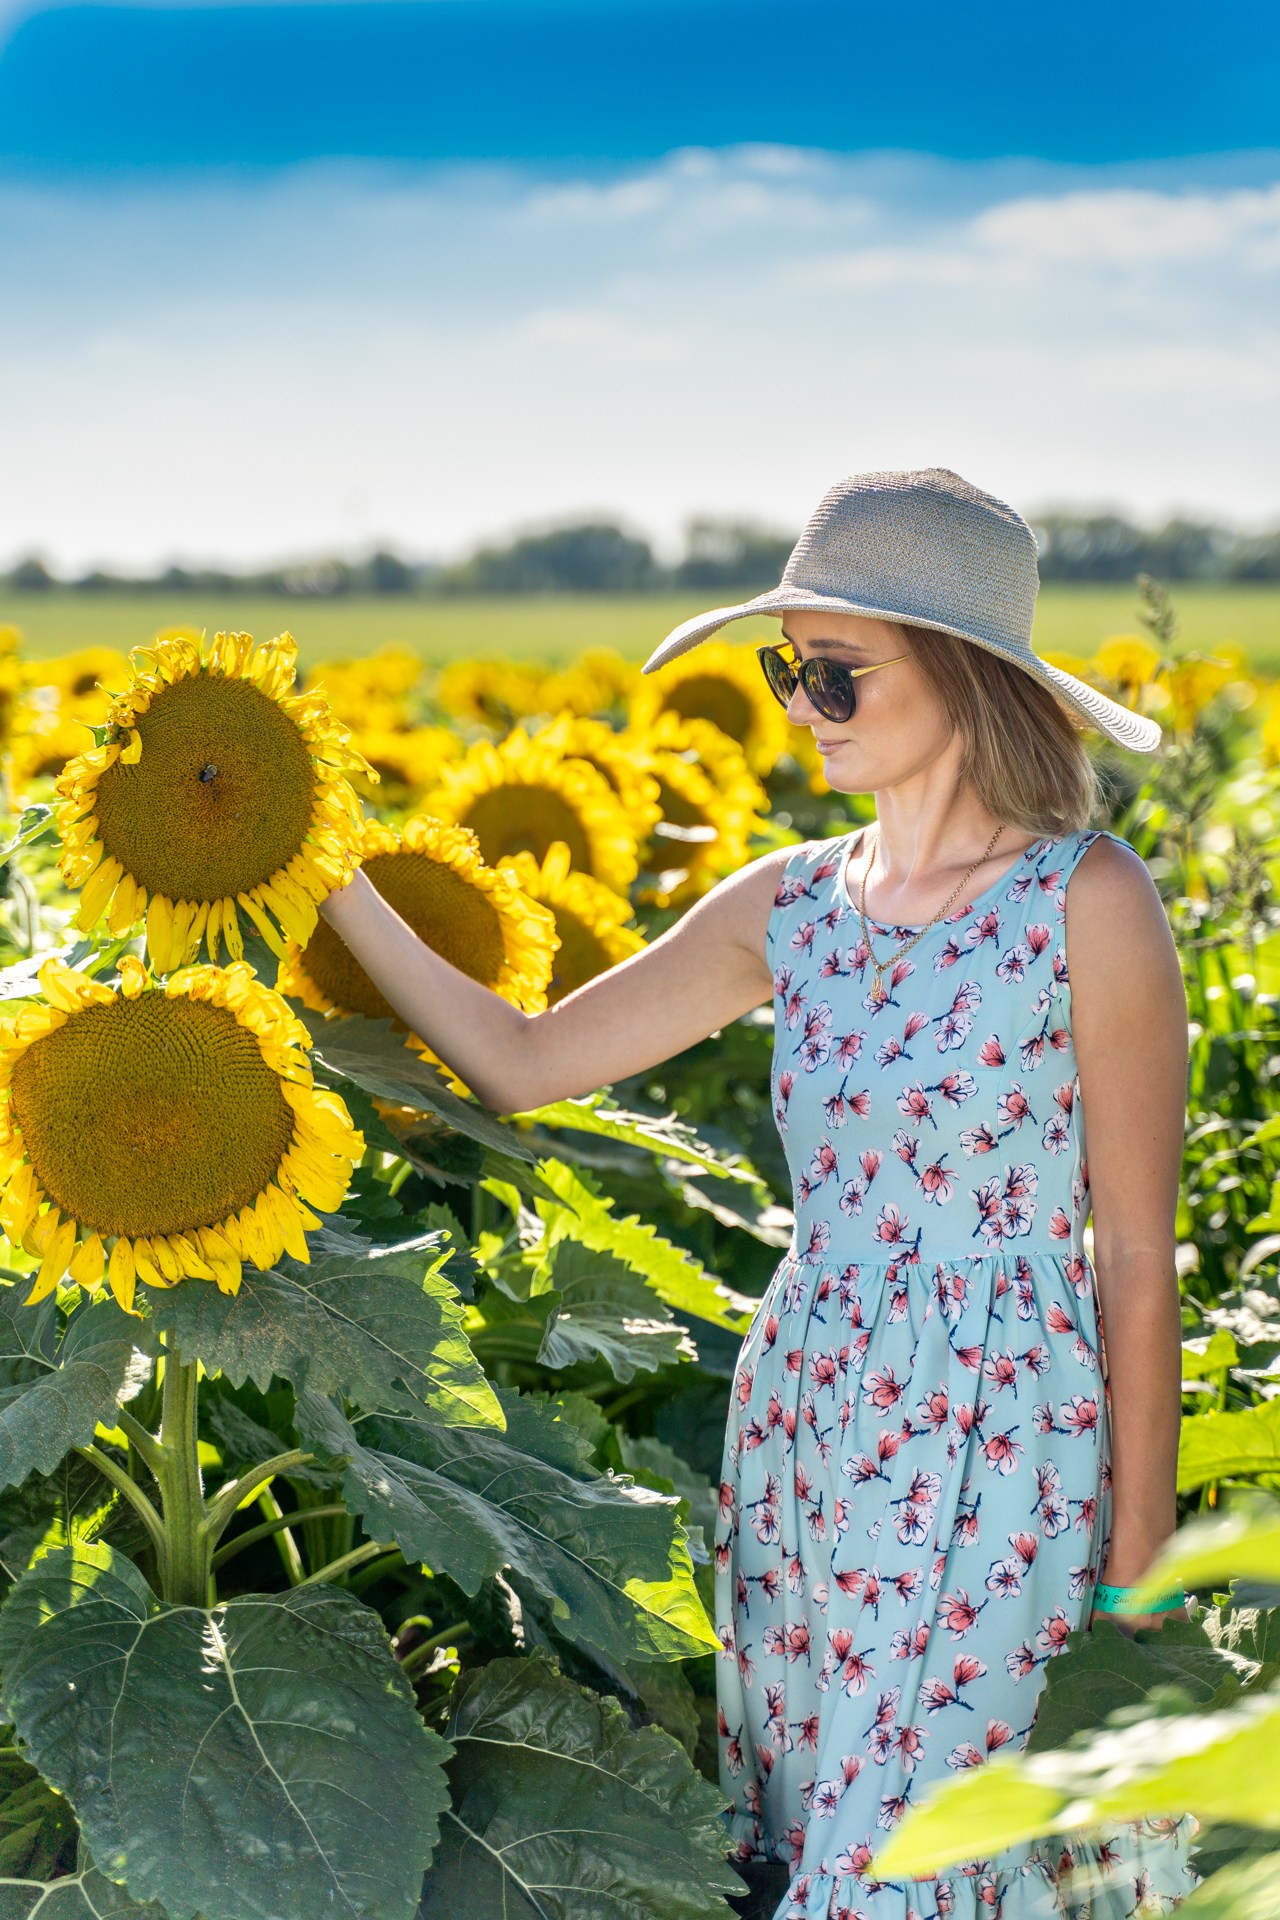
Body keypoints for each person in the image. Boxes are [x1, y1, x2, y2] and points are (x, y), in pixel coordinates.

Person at [319, 468, 1202, 1919]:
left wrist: (1143, 1572)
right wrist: (326, 869)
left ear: (964, 673)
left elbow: (1140, 1258)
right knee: (853, 1847)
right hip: (811, 1423)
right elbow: (525, 1062)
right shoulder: (787, 905)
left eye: (837, 674)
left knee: (900, 1871)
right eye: (789, 672)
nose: (802, 708)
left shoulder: (1087, 900)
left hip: (1008, 1440)